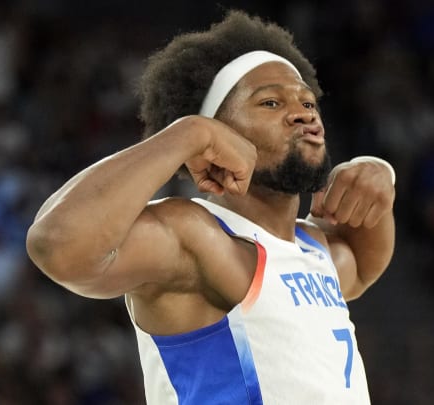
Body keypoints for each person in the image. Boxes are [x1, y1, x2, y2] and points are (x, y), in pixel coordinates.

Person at [26, 10, 395, 404]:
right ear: (218, 132)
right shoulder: (195, 236)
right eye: (270, 102)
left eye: (308, 102)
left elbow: (366, 258)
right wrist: (187, 134)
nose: (304, 113)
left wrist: (379, 173)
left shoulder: (316, 250)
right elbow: (57, 245)